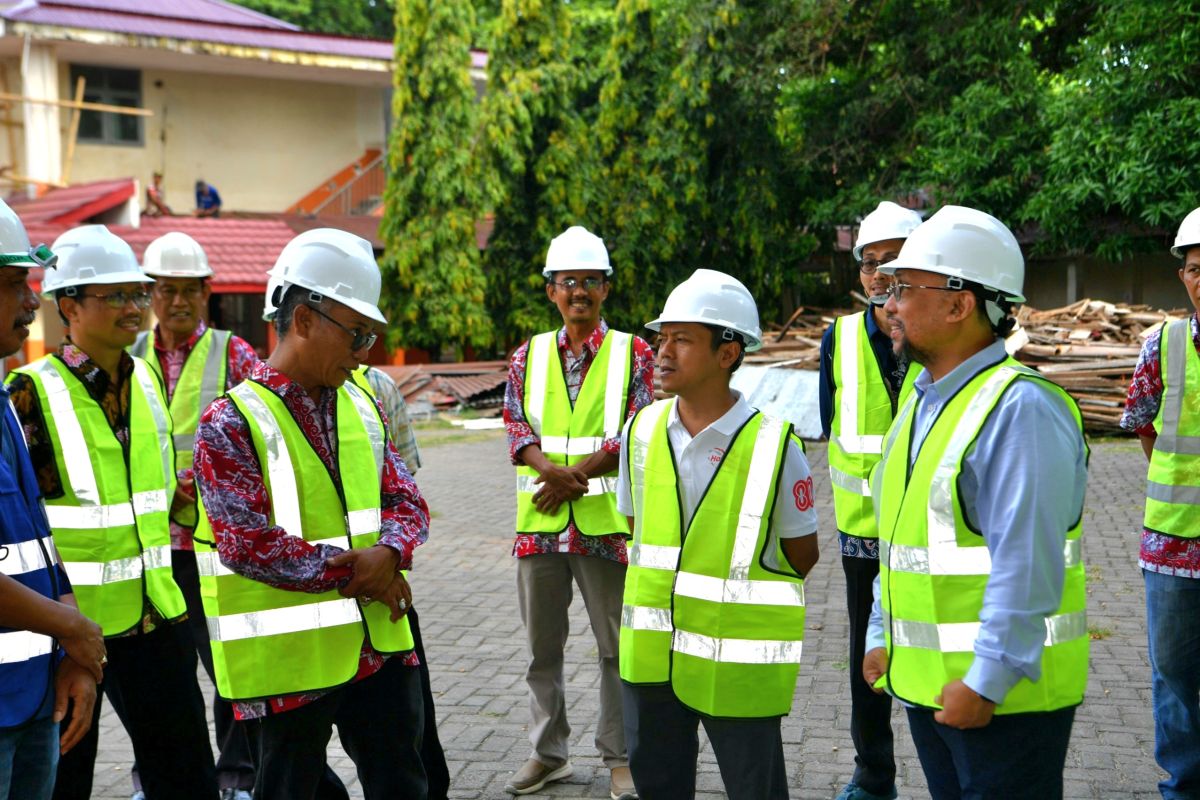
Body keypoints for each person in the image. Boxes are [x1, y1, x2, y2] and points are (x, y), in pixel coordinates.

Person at [193, 228, 430, 800]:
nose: (364, 351)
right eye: (356, 333)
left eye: (370, 335)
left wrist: (391, 552)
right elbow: (247, 543)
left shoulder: (363, 404)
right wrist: (362, 570)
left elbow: (408, 501)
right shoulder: (229, 424)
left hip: (379, 647)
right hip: (287, 668)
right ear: (303, 320)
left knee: (405, 782)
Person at [863, 206, 1089, 799]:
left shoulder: (1022, 411)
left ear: (960, 304)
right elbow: (901, 540)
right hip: (931, 688)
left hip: (1005, 703)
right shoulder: (921, 400)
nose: (890, 304)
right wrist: (881, 632)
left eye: (905, 288)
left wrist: (987, 681)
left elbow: (1027, 563)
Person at [7, 224, 218, 800]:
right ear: (68, 305)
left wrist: (180, 499)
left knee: (188, 774)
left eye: (137, 293)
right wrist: (60, 626)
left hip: (156, 614)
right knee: (65, 778)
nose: (135, 308)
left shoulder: (146, 377)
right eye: (116, 295)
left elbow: (140, 495)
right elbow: (31, 519)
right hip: (71, 628)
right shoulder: (29, 393)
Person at [617, 268, 819, 800]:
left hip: (737, 668)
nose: (662, 352)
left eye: (682, 340)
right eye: (662, 338)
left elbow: (801, 554)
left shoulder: (776, 446)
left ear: (728, 353)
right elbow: (636, 528)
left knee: (756, 789)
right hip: (650, 658)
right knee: (657, 786)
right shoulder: (640, 431)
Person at [501, 225, 653, 799]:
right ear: (551, 291)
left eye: (591, 281)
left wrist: (574, 478)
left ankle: (620, 756)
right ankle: (548, 754)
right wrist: (553, 474)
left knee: (616, 649)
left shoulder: (633, 352)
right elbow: (516, 426)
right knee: (543, 649)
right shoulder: (528, 354)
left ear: (606, 290)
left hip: (603, 526)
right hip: (539, 526)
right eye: (569, 282)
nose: (580, 292)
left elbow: (636, 428)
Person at [128, 231, 259, 800]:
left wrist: (196, 495)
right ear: (149, 295)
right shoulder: (126, 357)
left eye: (189, 291)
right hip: (153, 550)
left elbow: (262, 439)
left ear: (207, 293)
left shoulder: (236, 354)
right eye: (166, 291)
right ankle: (158, 782)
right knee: (159, 681)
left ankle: (238, 780)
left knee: (230, 671)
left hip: (212, 546)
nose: (178, 301)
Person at [0, 199, 103, 800]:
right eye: (14, 283)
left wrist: (72, 650)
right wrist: (72, 626)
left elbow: (38, 543)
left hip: (33, 697)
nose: (30, 301)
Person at [819, 200, 921, 800]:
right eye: (869, 263)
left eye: (893, 262)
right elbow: (833, 422)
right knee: (868, 661)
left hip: (930, 531)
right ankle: (872, 775)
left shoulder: (938, 338)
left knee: (936, 649)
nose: (879, 275)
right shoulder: (839, 340)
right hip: (862, 533)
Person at [1120, 206, 1200, 799]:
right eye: (1196, 269)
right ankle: (1184, 785)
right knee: (1173, 674)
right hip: (1172, 544)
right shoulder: (1164, 346)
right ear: (1183, 277)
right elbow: (1145, 427)